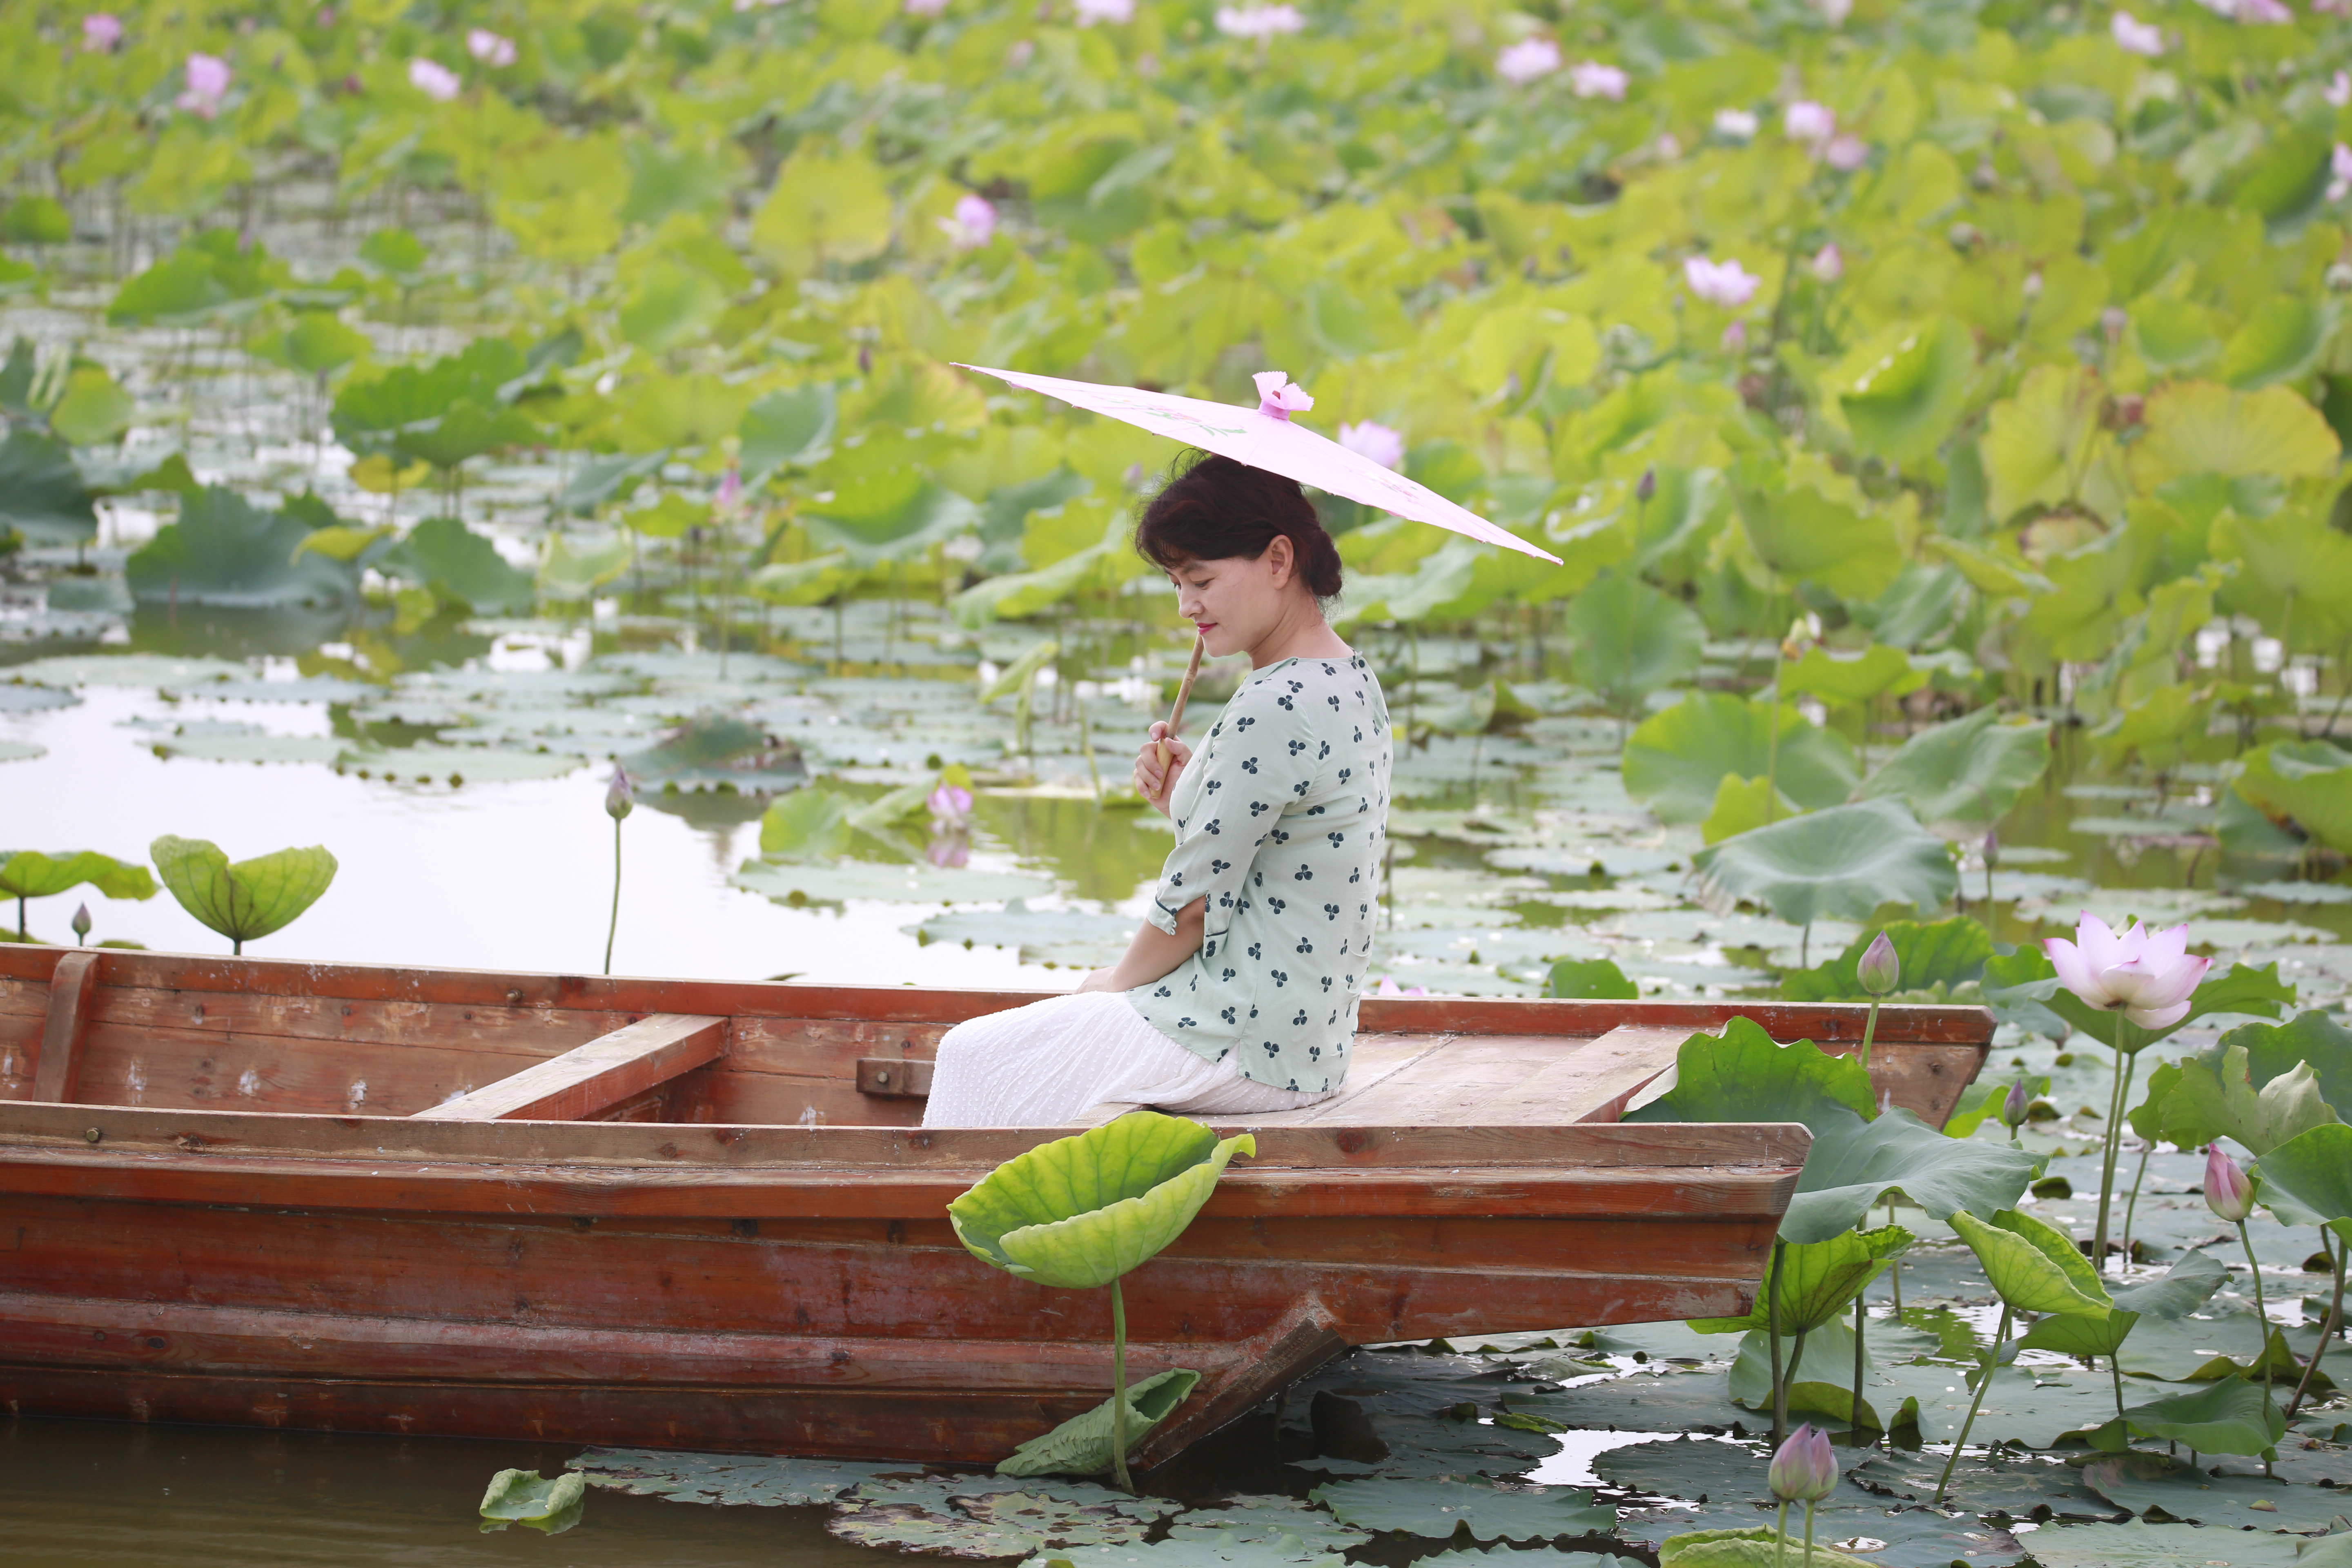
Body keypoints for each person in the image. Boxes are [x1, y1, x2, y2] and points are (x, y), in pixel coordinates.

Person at [921, 452, 1394, 1128]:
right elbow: (1295, 835)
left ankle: (950, 1228)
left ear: (1280, 561)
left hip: (1240, 1036)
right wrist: (1188, 793)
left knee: (972, 1055)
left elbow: (1196, 904)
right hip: (1306, 1037)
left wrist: (1113, 984)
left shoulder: (1273, 703)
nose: (1186, 607)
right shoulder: (1349, 678)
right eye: (1176, 583)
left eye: (1201, 580)